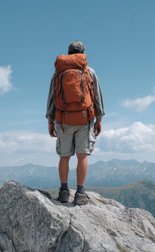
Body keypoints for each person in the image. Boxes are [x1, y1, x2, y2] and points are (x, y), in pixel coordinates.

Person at [46, 41, 105, 205]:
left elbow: (51, 98)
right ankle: (80, 193)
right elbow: (97, 97)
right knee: (82, 156)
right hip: (84, 119)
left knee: (64, 157)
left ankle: (64, 191)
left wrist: (51, 121)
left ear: (68, 53)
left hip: (63, 119)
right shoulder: (89, 71)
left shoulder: (58, 73)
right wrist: (99, 119)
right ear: (83, 53)